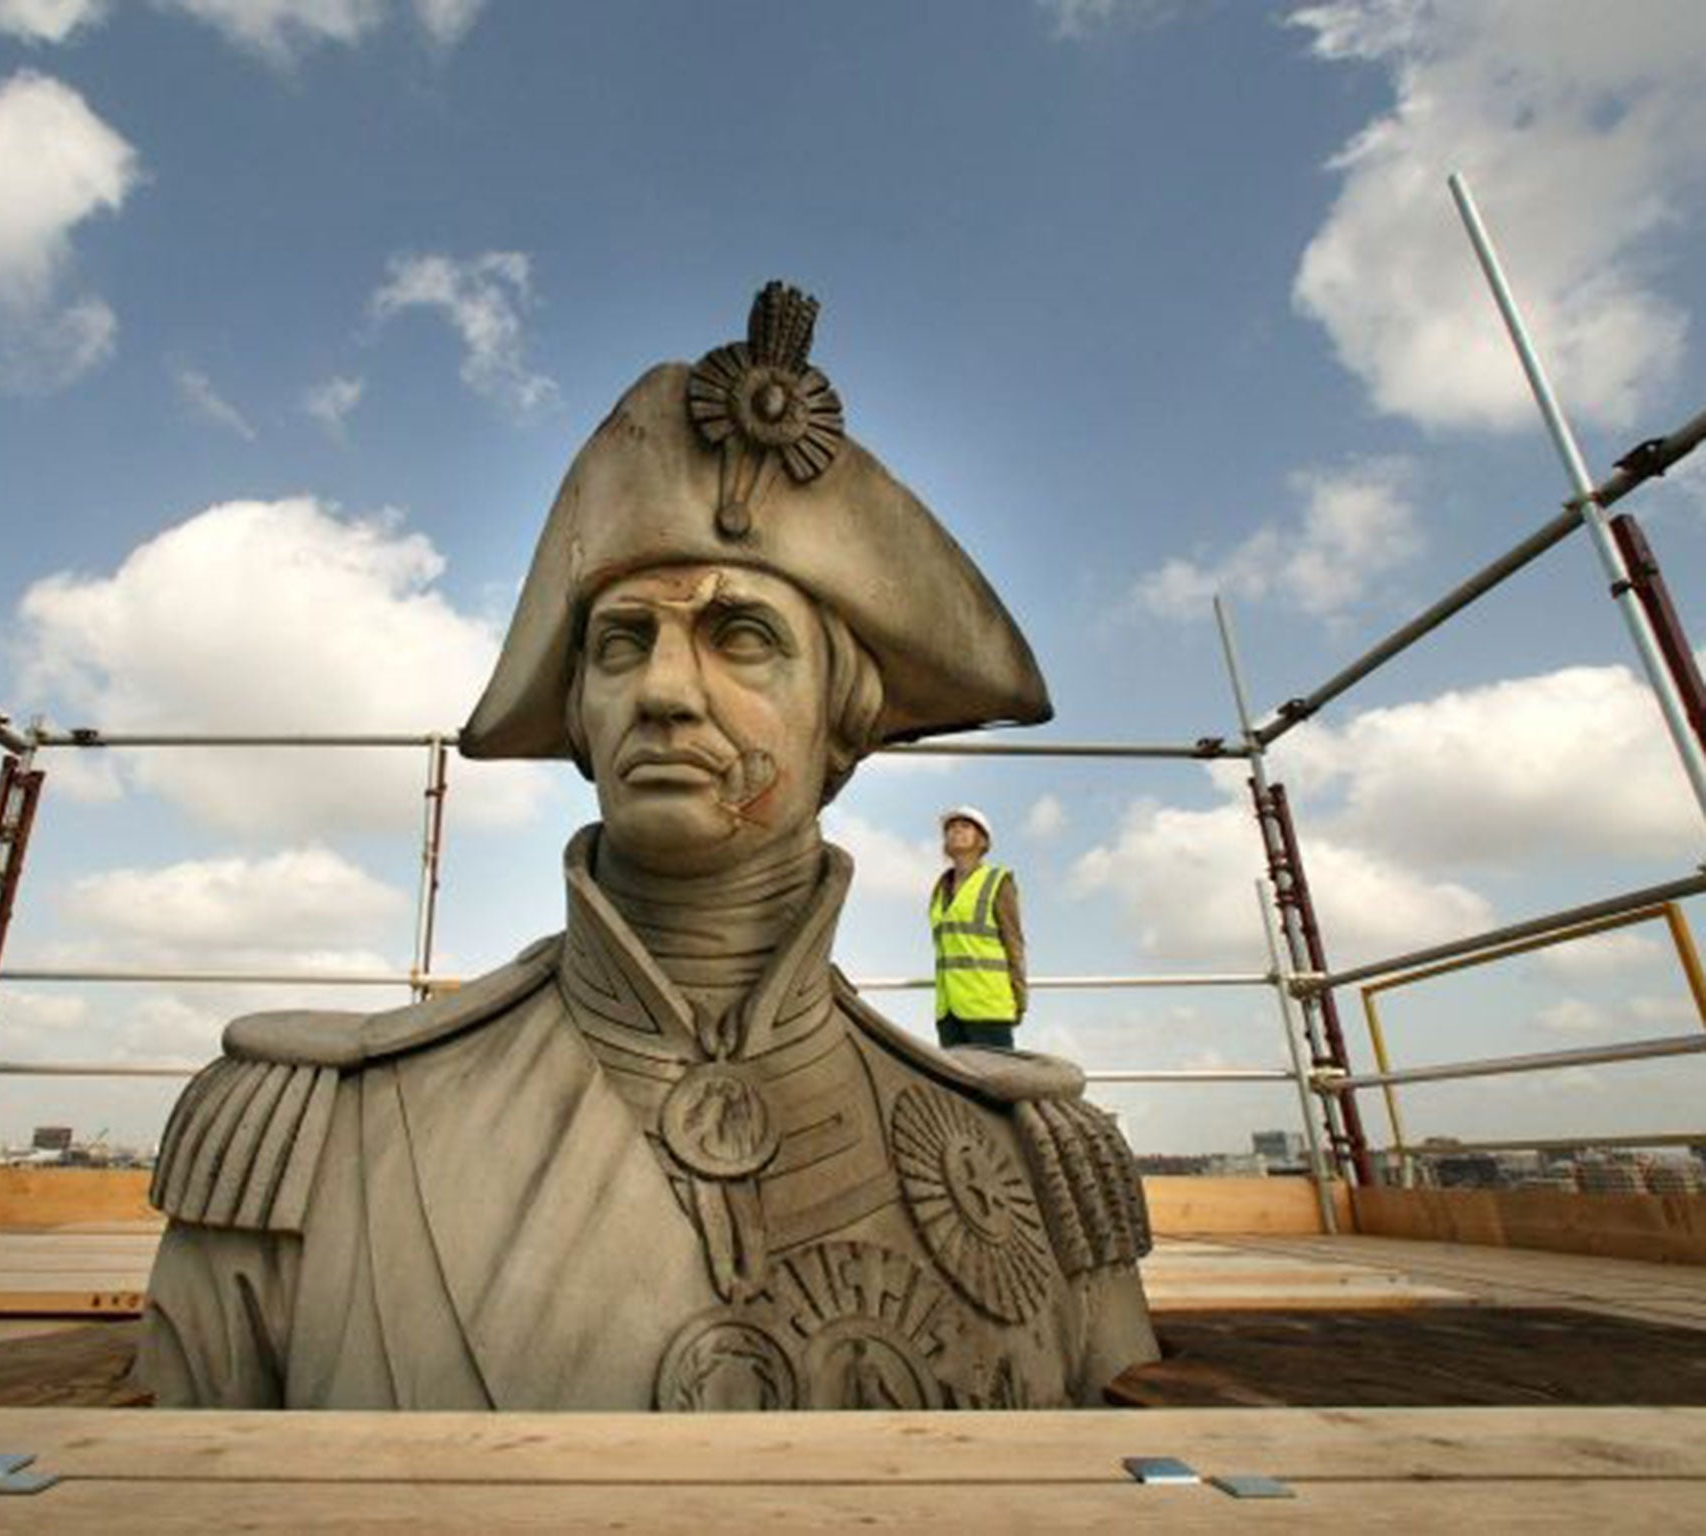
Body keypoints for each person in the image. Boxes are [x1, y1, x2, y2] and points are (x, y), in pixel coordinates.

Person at [137, 282, 1156, 1412]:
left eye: (741, 638)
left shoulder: (1030, 1160)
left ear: (843, 720)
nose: (664, 691)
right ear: (576, 710)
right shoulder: (314, 1142)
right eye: (623, 644)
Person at [931, 805, 1026, 1050]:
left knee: (998, 1086)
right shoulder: (940, 889)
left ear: (982, 840)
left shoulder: (997, 881)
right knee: (953, 1087)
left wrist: (1019, 998)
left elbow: (1013, 942)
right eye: (950, 828)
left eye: (965, 826)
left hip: (988, 1007)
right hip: (948, 1012)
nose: (955, 831)